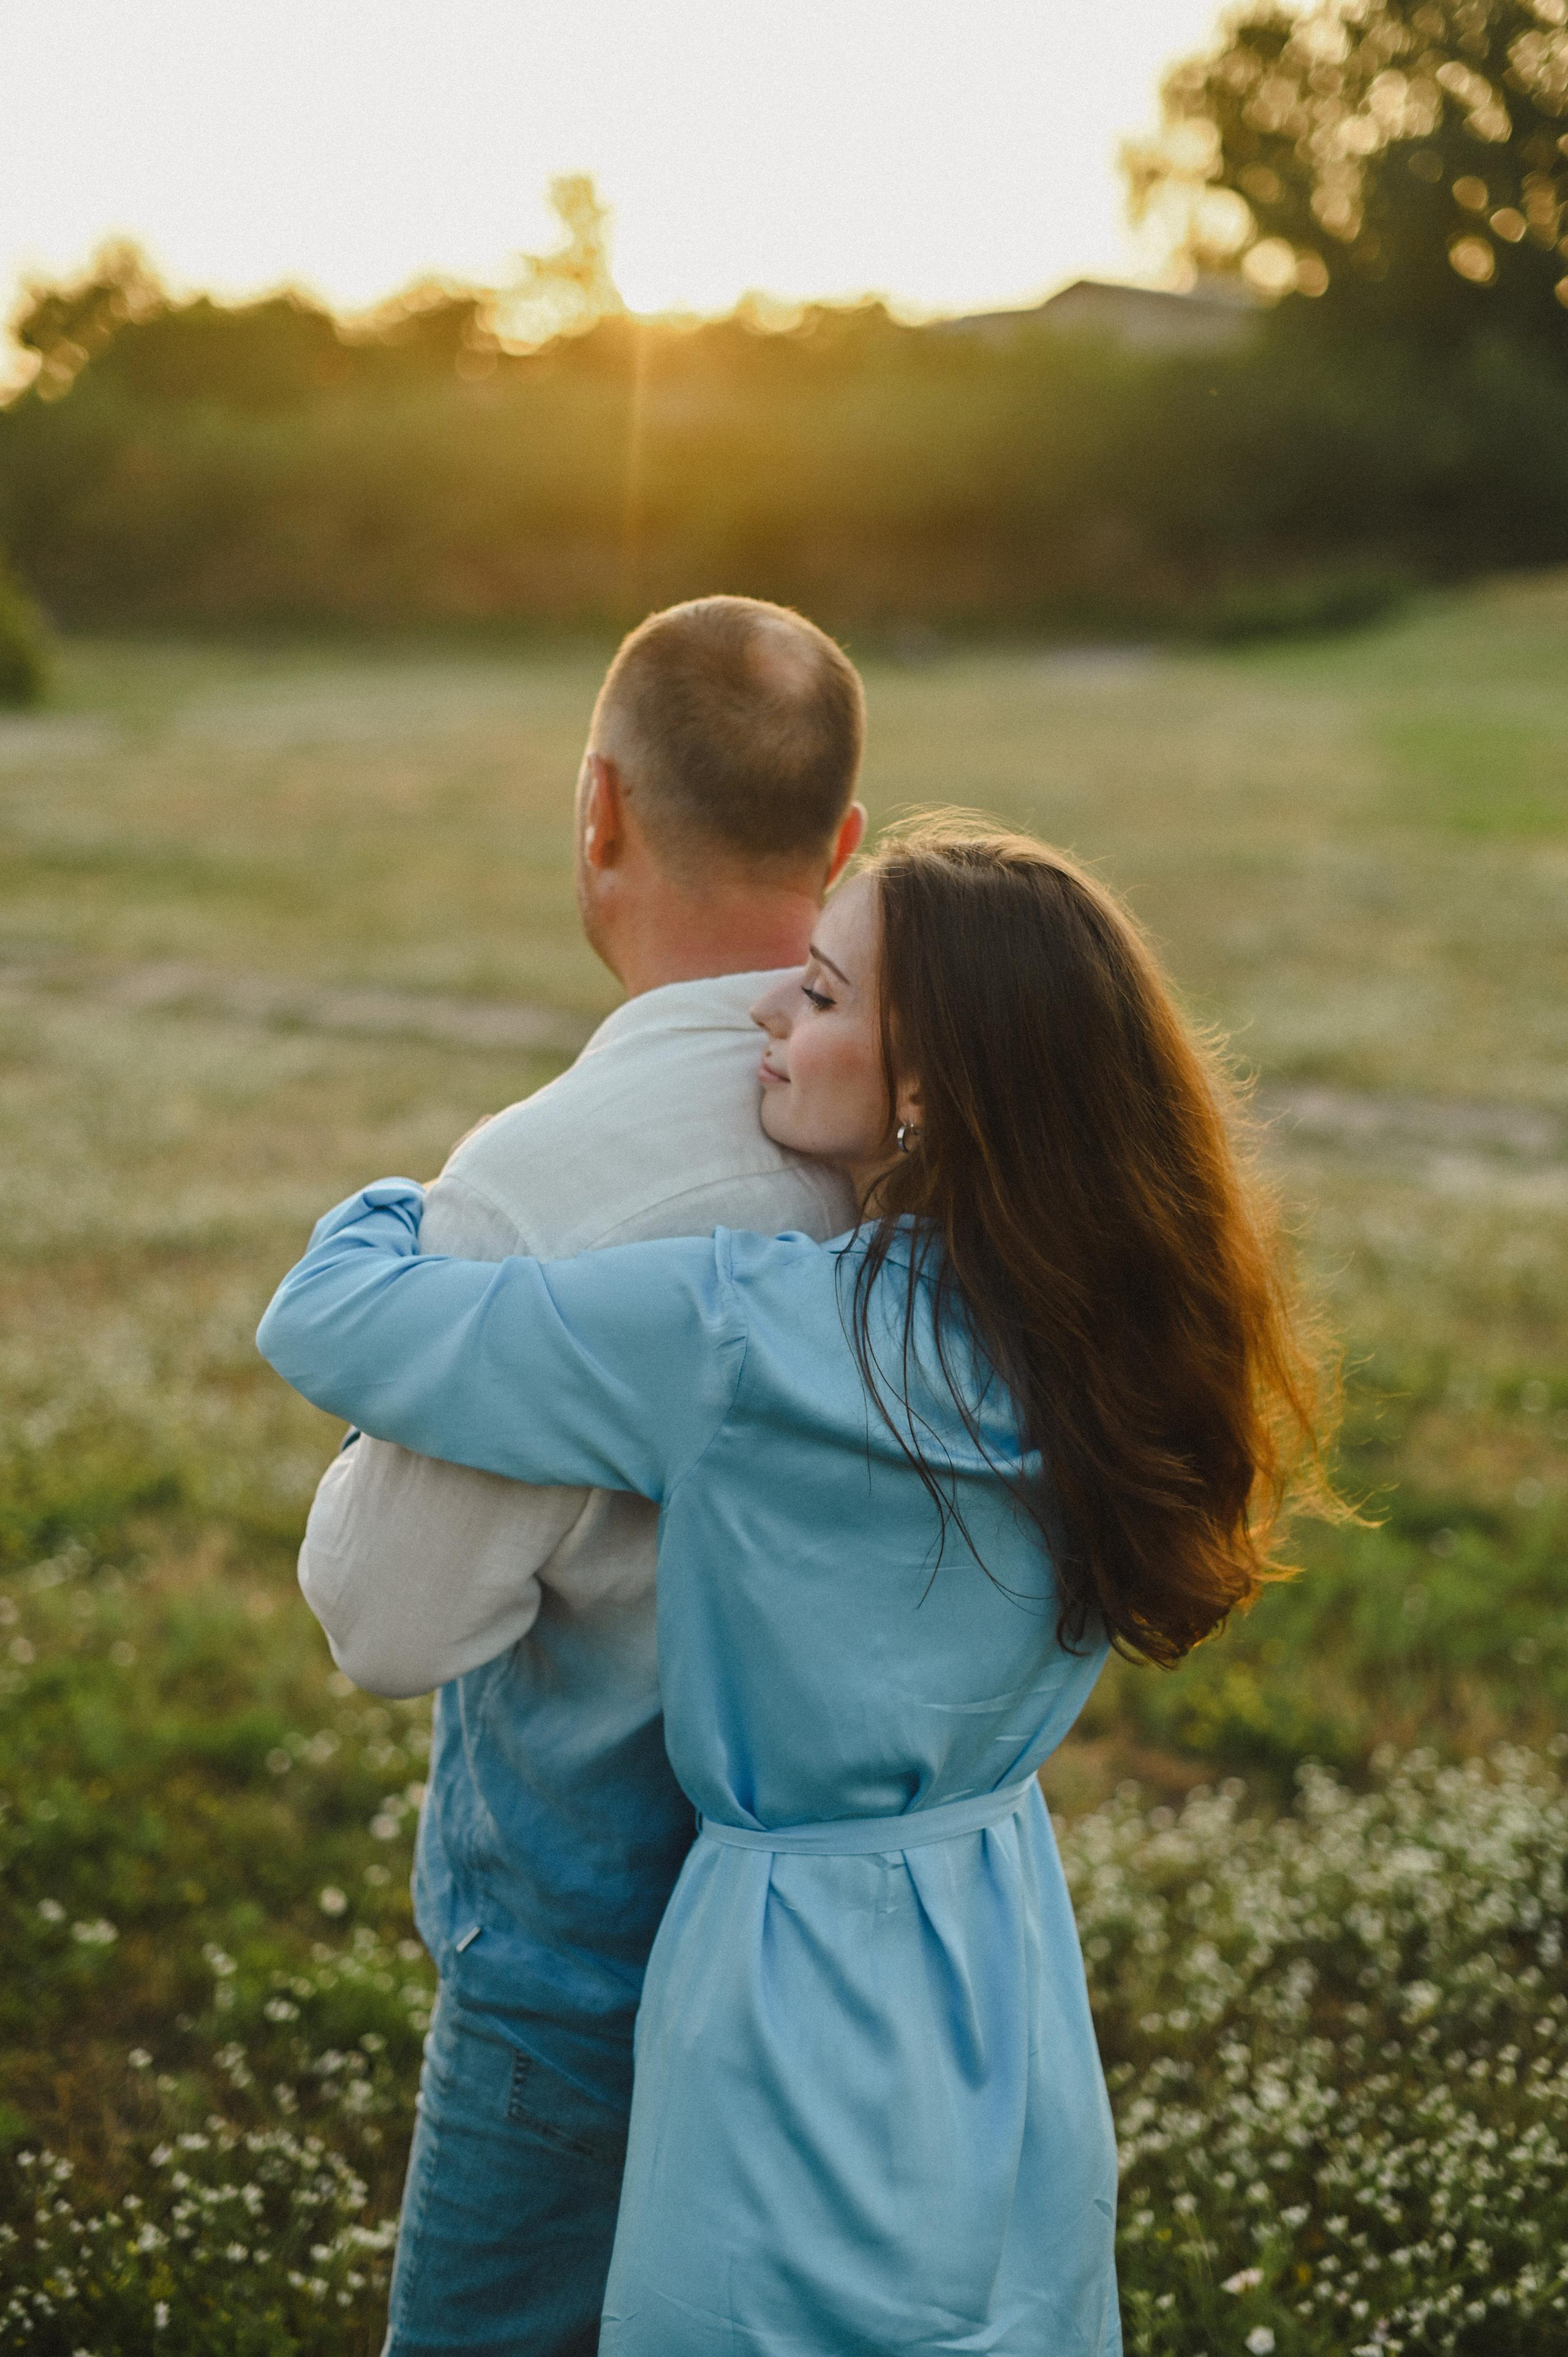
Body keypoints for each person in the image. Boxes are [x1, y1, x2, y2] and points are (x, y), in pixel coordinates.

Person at [260, 819, 1335, 2355]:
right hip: (998, 1946)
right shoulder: (1108, 1339)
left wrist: (425, 1197)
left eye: (818, 996)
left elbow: (333, 1321)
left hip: (776, 1964)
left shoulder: (748, 1334)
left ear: (926, 1092)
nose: (767, 1013)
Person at [295, 595, 866, 2355]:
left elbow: (387, 1620)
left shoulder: (537, 1191)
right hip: (868, 1966)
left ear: (598, 810)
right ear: (845, 843)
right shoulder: (953, 1135)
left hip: (582, 1985)